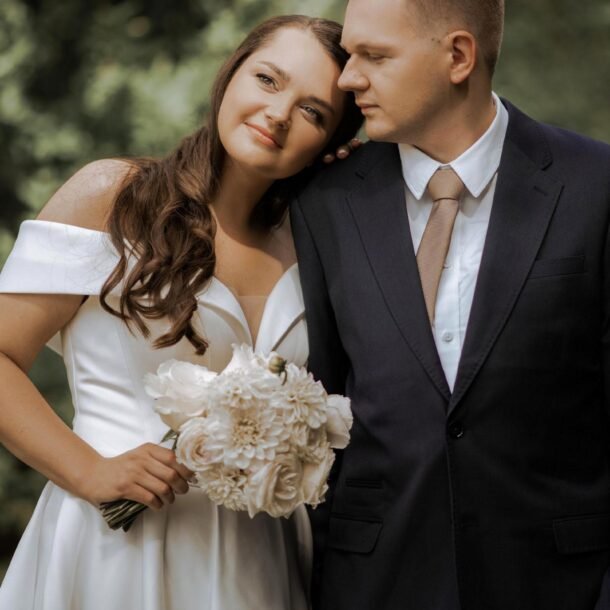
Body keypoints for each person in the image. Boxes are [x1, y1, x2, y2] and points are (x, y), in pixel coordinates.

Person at [0, 14, 362, 610]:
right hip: (115, 546)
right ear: (231, 74)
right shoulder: (113, 197)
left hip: (262, 557)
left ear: (331, 143)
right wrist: (90, 471)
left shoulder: (318, 246)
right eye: (268, 79)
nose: (278, 113)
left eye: (313, 112)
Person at [291, 1, 610, 609]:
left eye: (374, 56)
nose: (346, 78)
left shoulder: (596, 187)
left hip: (560, 585)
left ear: (458, 56)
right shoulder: (325, 200)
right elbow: (325, 416)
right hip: (376, 586)